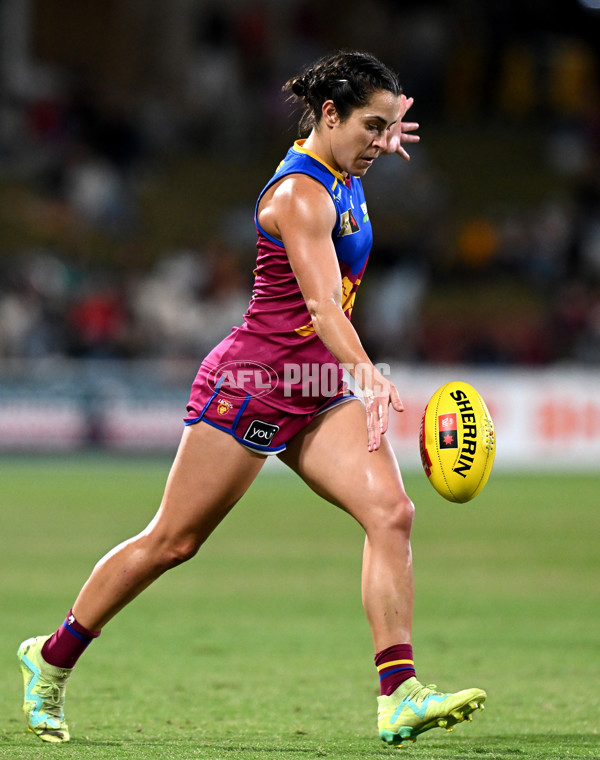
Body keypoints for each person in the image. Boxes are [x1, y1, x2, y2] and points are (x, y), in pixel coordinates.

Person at [18, 50, 486, 748]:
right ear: (330, 115)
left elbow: (350, 190)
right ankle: (49, 659)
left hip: (316, 385)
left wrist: (379, 137)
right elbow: (326, 309)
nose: (378, 144)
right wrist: (370, 374)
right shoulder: (301, 195)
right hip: (255, 383)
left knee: (391, 512)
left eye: (386, 129)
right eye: (369, 126)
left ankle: (398, 694)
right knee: (172, 543)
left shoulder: (347, 164)